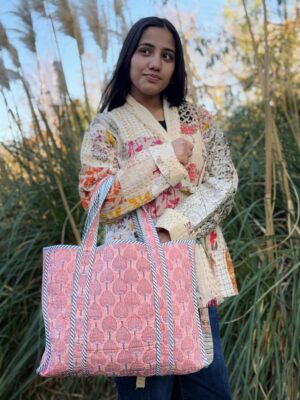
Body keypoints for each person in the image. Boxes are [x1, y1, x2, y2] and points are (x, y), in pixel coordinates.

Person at [78, 16, 238, 400]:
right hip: (133, 282)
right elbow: (98, 197)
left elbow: (224, 182)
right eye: (145, 50)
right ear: (128, 56)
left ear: (175, 66)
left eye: (167, 56)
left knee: (209, 391)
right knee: (148, 393)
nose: (155, 63)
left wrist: (173, 227)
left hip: (194, 278)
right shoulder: (107, 127)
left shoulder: (197, 120)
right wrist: (166, 158)